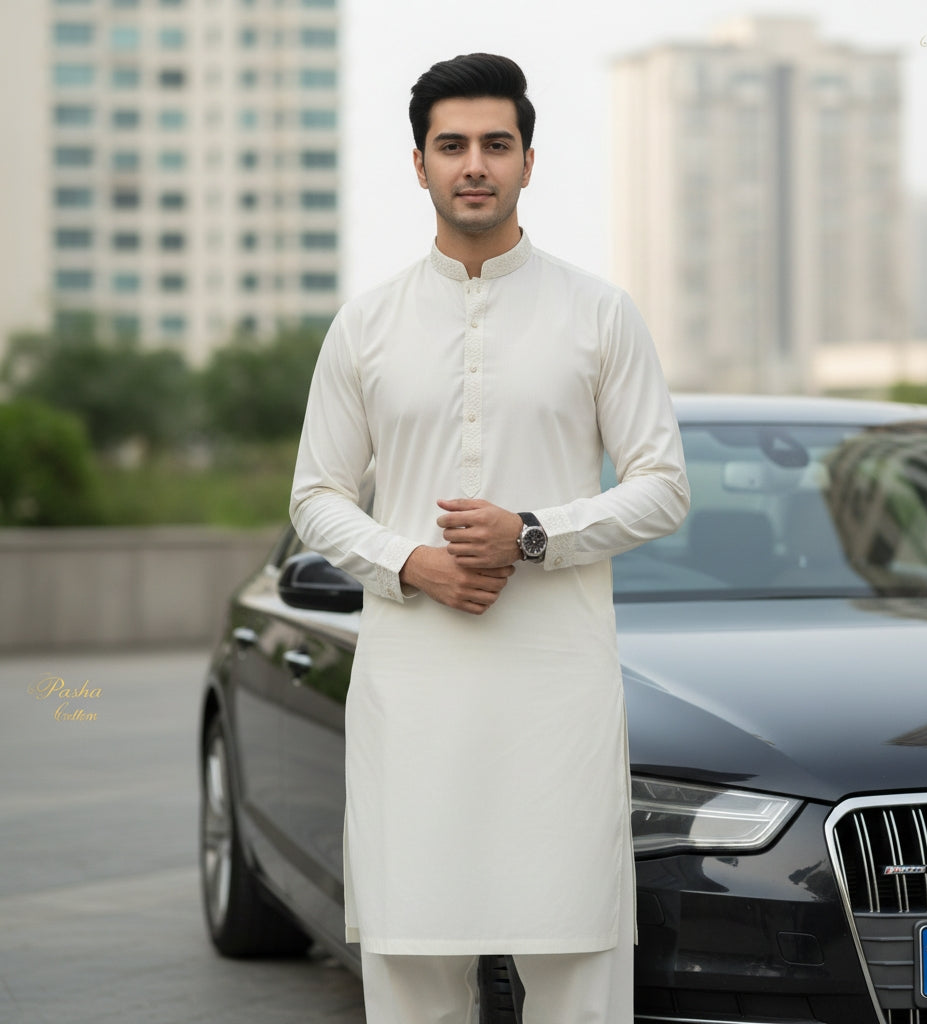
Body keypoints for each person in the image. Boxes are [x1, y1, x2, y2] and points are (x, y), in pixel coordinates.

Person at [290, 53, 689, 1024]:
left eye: (495, 145)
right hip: (413, 702)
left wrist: (536, 533)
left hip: (558, 700)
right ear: (419, 164)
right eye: (453, 144)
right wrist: (409, 562)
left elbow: (663, 488)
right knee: (414, 968)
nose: (476, 164)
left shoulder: (598, 313)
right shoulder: (366, 325)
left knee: (577, 967)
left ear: (528, 161)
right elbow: (316, 495)